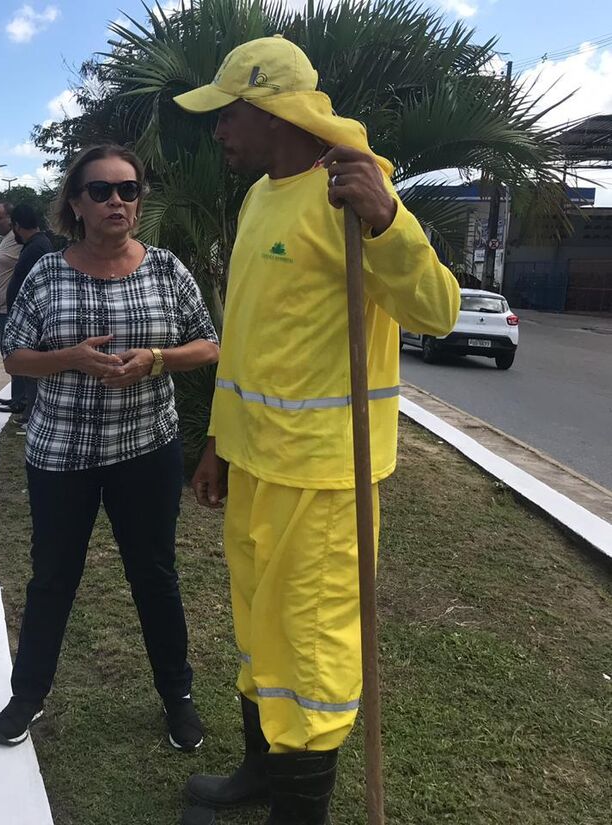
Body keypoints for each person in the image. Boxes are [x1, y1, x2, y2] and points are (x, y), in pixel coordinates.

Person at [174, 37, 460, 825]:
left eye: (227, 114)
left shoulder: (355, 194)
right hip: (256, 464)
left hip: (326, 477)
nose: (218, 132)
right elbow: (248, 342)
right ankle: (263, 771)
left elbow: (435, 309)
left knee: (312, 649)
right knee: (259, 631)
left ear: (267, 111)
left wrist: (389, 221)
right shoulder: (260, 195)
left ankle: (300, 813)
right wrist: (217, 444)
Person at [0, 144, 221, 752]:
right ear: (76, 202)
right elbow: (14, 355)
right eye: (100, 190)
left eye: (128, 189)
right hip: (61, 452)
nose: (116, 200)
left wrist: (156, 361)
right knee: (52, 578)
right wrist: (68, 359)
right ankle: (28, 696)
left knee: (154, 576)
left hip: (145, 449)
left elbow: (210, 345)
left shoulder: (167, 269)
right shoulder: (45, 271)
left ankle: (178, 698)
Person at [4, 203, 54, 431]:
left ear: (16, 225)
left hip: (34, 324)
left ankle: (31, 416)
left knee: (33, 373)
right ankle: (28, 414)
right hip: (27, 322)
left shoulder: (37, 248)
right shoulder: (35, 245)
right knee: (29, 374)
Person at [0, 202, 24, 412]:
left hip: (10, 308)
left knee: (13, 353)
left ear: (11, 219)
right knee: (7, 352)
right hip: (1, 308)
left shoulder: (17, 240)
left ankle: (21, 399)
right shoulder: (5, 240)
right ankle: (15, 395)